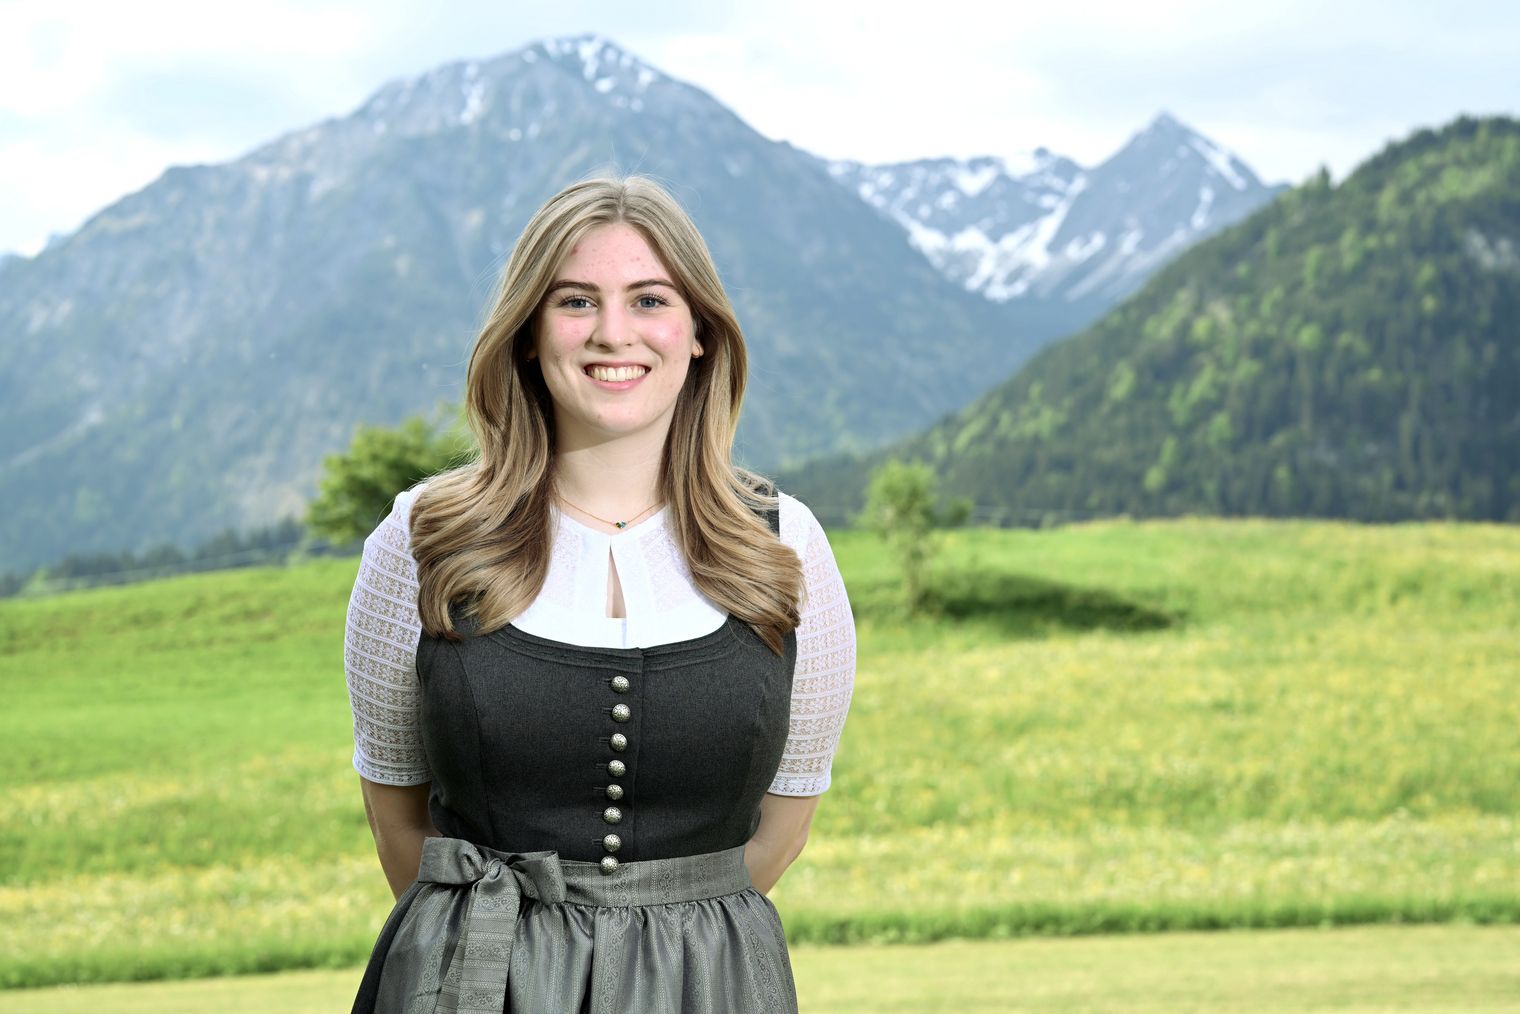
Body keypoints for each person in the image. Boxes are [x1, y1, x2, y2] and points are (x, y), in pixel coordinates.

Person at [343, 173, 857, 1013]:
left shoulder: (785, 542)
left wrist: (668, 941)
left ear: (698, 333)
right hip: (471, 982)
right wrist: (513, 963)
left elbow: (784, 830)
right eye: (576, 302)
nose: (613, 333)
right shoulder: (421, 538)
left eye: (650, 299)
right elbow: (398, 823)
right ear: (528, 334)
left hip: (709, 983)